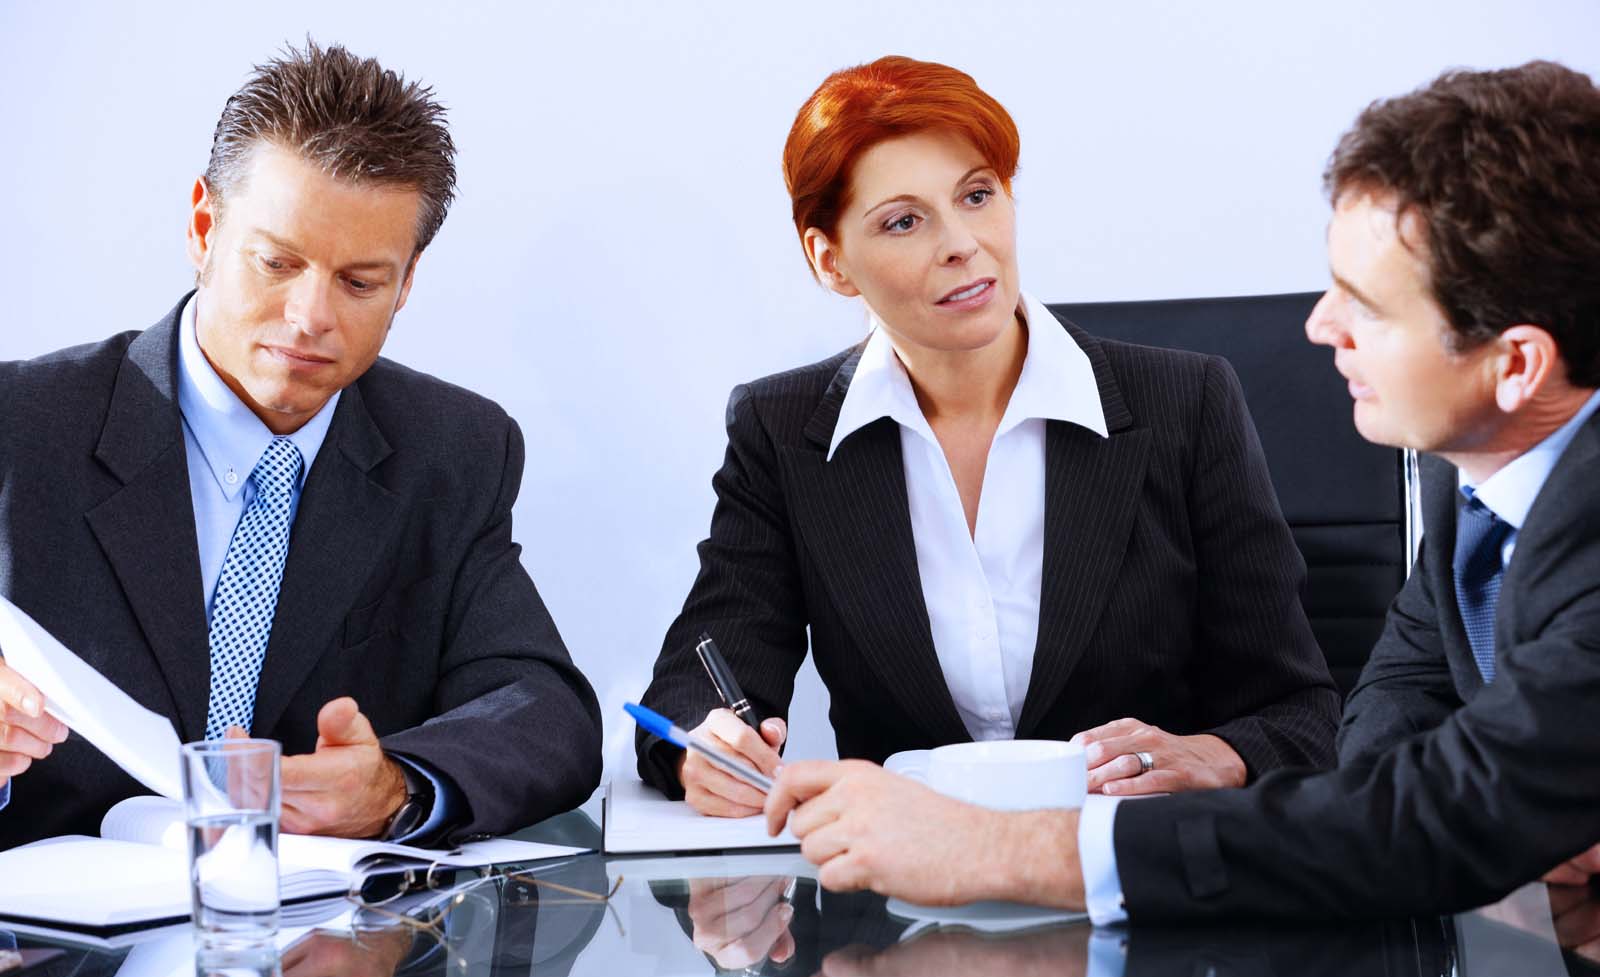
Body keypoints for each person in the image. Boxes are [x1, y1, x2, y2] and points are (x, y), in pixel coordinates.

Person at [764, 60, 1600, 922]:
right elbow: (1406, 690)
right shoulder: (1465, 470)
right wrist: (1486, 803)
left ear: (1518, 366)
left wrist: (988, 849)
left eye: (1368, 305)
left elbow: (1407, 806)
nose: (1318, 326)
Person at [636, 56, 1339, 817]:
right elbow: (701, 676)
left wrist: (1218, 755)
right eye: (904, 221)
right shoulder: (785, 432)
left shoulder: (1185, 403)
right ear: (831, 260)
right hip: (902, 899)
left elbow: (1299, 712)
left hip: (1146, 879)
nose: (962, 243)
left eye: (977, 195)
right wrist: (697, 748)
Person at [0, 41, 602, 851]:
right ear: (203, 227)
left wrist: (399, 785)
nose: (311, 316)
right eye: (277, 262)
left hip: (325, 952)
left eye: (360, 283)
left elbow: (543, 709)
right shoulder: (22, 428)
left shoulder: (452, 450)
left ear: (407, 281)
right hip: (53, 954)